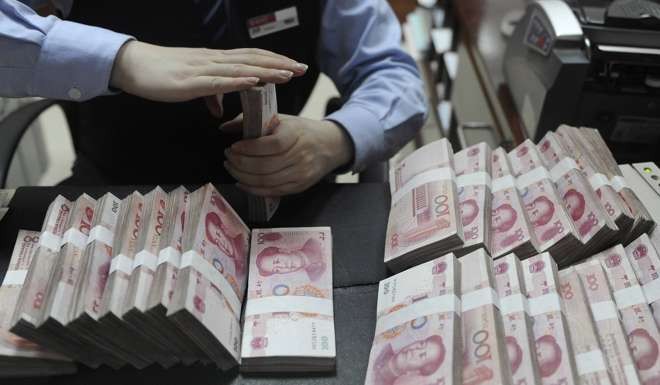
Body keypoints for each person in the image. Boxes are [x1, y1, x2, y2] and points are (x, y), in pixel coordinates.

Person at [0, 0, 427, 195]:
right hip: (120, 188)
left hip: (279, 196)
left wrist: (337, 139)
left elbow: (390, 71)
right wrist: (121, 60)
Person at [372, 335, 446, 385]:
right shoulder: (381, 343)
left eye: (422, 356)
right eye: (421, 344)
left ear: (415, 371)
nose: (415, 350)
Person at [255, 238, 326, 281]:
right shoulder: (314, 277)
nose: (283, 267)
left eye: (277, 261)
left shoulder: (314, 242)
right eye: (277, 270)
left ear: (284, 251)